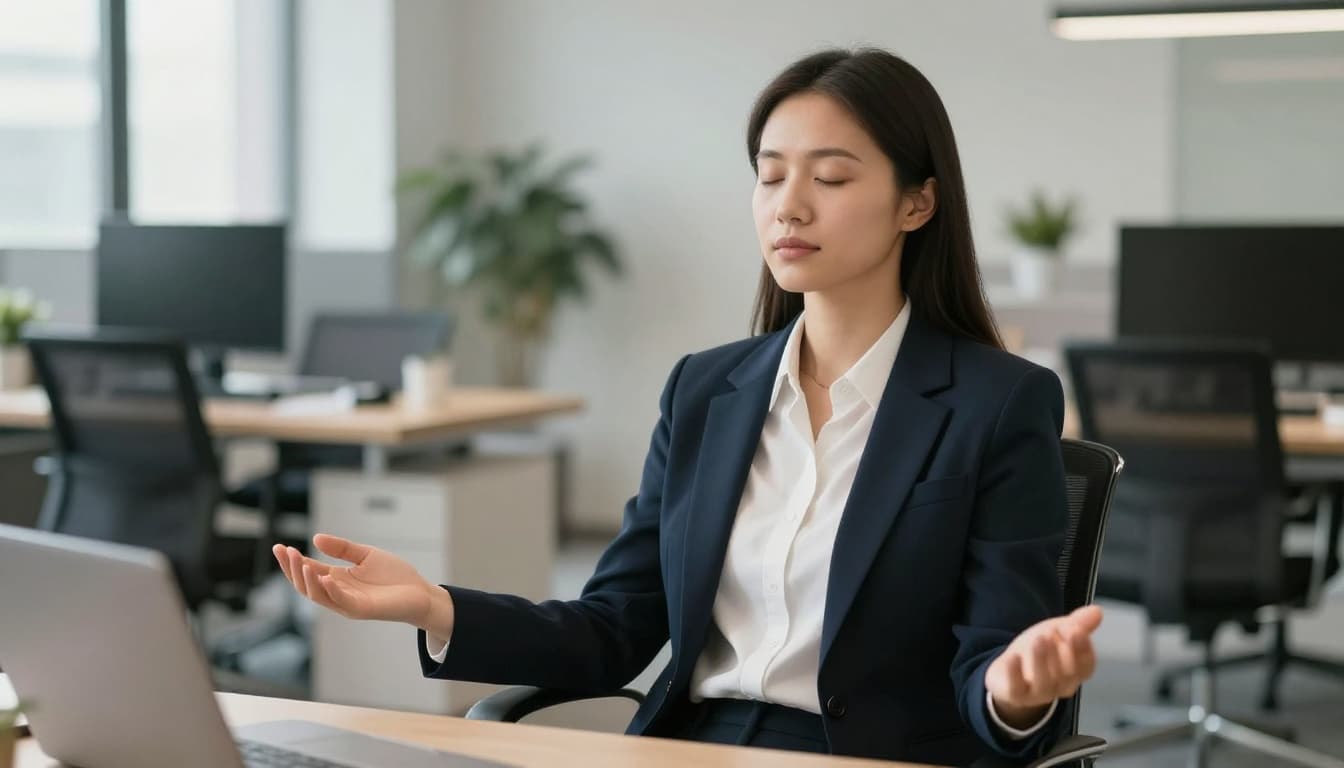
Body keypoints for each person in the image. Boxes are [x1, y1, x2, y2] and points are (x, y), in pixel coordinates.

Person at [273, 46, 1103, 765]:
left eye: (832, 176)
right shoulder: (706, 391)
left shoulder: (998, 403)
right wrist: (435, 606)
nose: (789, 204)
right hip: (689, 746)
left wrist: (1015, 688)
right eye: (770, 174)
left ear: (916, 203)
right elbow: (615, 628)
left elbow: (994, 670)